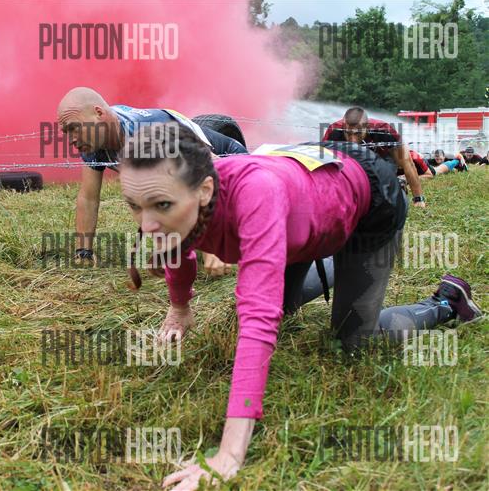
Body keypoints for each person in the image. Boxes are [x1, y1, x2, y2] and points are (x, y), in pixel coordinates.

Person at [118, 124, 481, 491]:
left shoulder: (254, 194)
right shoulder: (175, 197)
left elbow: (258, 319)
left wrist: (229, 454)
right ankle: (347, 268)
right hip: (306, 194)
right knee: (282, 302)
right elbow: (176, 246)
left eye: (161, 205)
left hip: (370, 198)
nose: (147, 225)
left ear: (205, 191)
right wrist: (179, 307)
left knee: (353, 339)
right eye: (134, 205)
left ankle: (447, 302)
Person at [57, 87, 247, 276]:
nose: (71, 140)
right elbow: (88, 199)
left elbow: (207, 174)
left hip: (229, 163)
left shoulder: (149, 130)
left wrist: (214, 247)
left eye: (74, 128)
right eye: (66, 132)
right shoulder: (94, 140)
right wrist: (84, 253)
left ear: (99, 113)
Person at [322, 107, 426, 207]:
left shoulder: (383, 130)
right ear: (343, 127)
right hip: (351, 161)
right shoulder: (334, 131)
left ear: (367, 127)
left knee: (382, 190)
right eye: (348, 134)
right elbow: (323, 164)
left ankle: (396, 184)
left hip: (382, 158)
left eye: (358, 134)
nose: (353, 140)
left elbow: (407, 163)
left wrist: (418, 199)